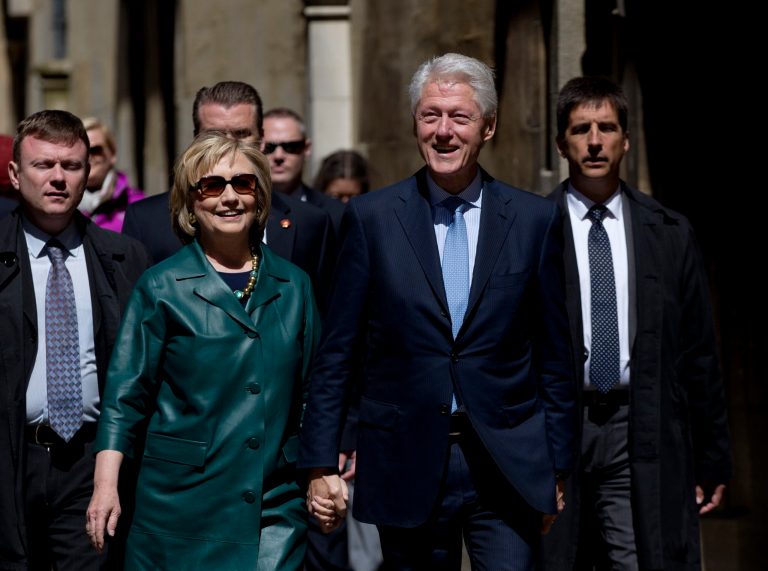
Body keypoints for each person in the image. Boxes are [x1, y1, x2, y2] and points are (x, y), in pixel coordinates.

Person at [298, 53, 576, 570]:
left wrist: (557, 467)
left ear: (488, 126)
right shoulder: (371, 219)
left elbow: (555, 358)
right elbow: (338, 351)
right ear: (414, 123)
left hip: (506, 465)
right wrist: (319, 461)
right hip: (405, 458)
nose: (443, 131)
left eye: (459, 117)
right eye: (430, 115)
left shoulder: (534, 221)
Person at [86, 131, 319, 570]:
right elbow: (125, 397)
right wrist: (105, 484)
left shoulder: (295, 286)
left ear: (261, 196)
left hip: (272, 508)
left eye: (243, 184)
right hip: (180, 505)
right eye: (212, 186)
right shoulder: (161, 286)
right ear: (191, 203)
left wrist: (320, 472)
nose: (229, 197)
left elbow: (313, 392)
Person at [542, 77, 732, 570]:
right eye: (581, 129)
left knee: (637, 557)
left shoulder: (667, 231)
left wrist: (712, 457)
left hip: (637, 423)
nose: (595, 140)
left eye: (607, 127)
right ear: (562, 143)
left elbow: (699, 354)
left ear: (626, 139)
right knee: (558, 556)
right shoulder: (532, 229)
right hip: (560, 425)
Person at [0, 110, 149, 570]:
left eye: (72, 166)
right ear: (14, 173)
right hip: (11, 460)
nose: (58, 179)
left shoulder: (123, 257)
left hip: (91, 463)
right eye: (44, 165)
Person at [122, 83, 335, 311]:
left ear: (262, 140)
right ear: (195, 139)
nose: (227, 145)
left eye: (241, 134)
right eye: (214, 135)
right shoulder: (146, 221)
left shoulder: (310, 222)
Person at [263, 108, 345, 228]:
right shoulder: (239, 211)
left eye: (290, 147)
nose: (278, 156)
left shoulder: (336, 214)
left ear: (307, 148)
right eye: (268, 147)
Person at [78, 118, 145, 232]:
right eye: (82, 151)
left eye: (96, 150)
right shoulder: (59, 207)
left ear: (112, 154)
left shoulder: (139, 205)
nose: (88, 156)